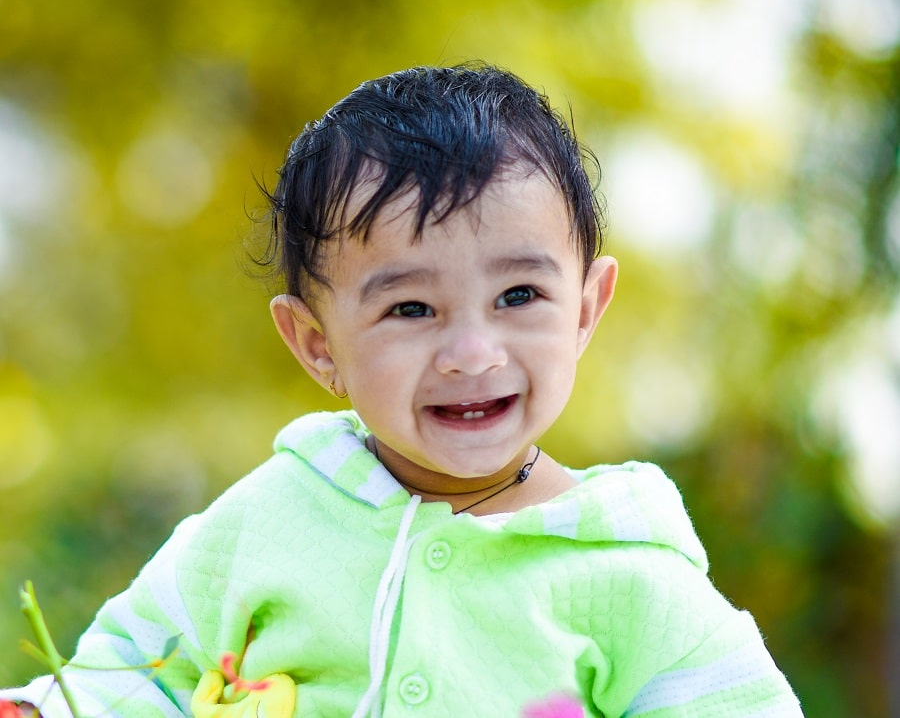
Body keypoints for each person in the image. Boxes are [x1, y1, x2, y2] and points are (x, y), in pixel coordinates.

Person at [0, 63, 803, 717]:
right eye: (411, 308)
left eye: (519, 296)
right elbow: (132, 671)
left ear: (586, 308)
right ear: (319, 347)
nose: (471, 353)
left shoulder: (626, 566)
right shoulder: (270, 515)